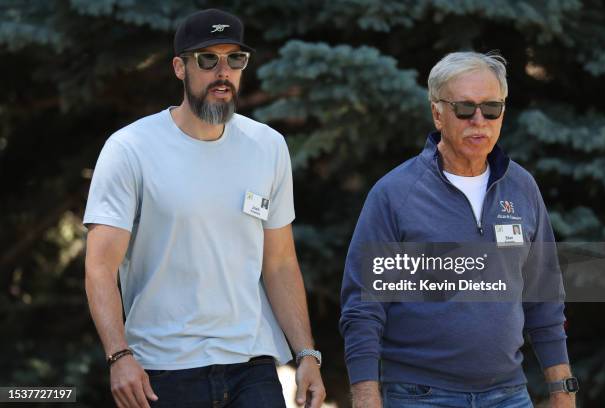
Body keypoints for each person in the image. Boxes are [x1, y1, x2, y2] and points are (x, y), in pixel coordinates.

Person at [83, 8, 325, 408]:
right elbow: (99, 266)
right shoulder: (130, 149)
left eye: (235, 59)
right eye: (207, 59)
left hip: (253, 364)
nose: (223, 71)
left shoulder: (268, 146)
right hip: (164, 370)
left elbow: (280, 262)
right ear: (180, 67)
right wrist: (119, 356)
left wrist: (306, 354)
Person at [340, 52, 578, 407]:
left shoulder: (522, 187)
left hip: (509, 394)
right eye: (465, 109)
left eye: (491, 108)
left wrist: (562, 389)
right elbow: (363, 306)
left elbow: (544, 296)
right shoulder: (395, 194)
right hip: (420, 396)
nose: (479, 121)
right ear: (438, 113)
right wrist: (365, 394)